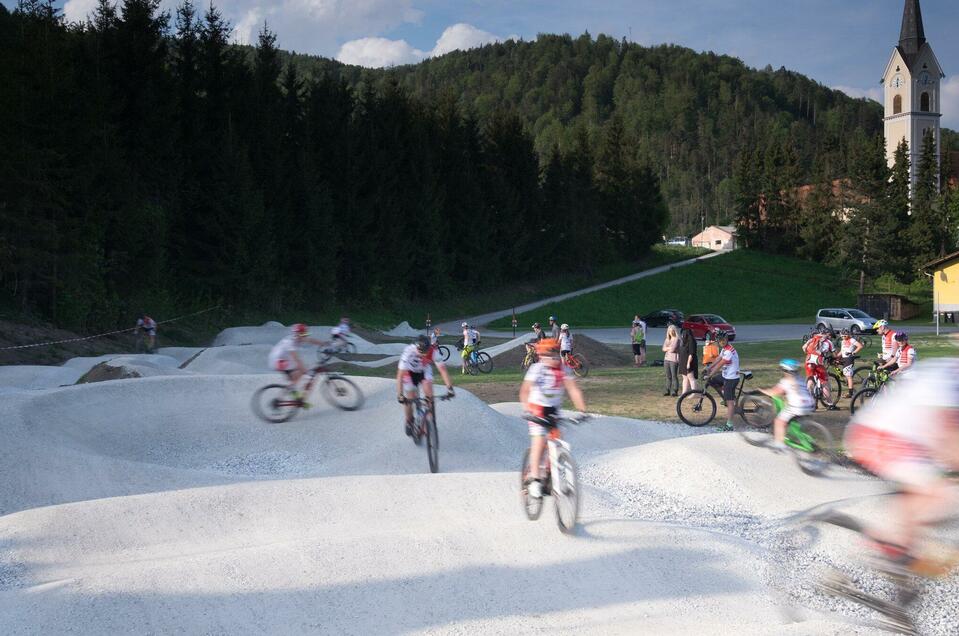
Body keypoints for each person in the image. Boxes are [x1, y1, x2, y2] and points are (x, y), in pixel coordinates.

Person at [843, 360, 959, 604]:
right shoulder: (950, 378)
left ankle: (899, 561)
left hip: (906, 440)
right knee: (941, 496)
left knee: (927, 500)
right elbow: (949, 443)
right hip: (882, 435)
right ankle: (888, 555)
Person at [520, 338, 587, 500]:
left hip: (553, 411)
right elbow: (524, 391)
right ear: (542, 356)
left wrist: (582, 411)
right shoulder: (536, 369)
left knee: (556, 441)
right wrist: (526, 409)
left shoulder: (564, 370)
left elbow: (573, 390)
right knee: (539, 442)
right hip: (536, 409)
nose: (555, 358)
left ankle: (549, 474)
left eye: (556, 355)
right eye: (550, 356)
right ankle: (535, 479)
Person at [397, 335, 455, 436]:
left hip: (424, 371)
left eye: (426, 352)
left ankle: (431, 422)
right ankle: (409, 420)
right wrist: (400, 395)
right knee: (409, 398)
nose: (424, 355)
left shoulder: (433, 351)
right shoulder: (408, 352)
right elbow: (400, 375)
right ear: (416, 348)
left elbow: (443, 370)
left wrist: (450, 388)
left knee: (429, 396)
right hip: (409, 373)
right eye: (421, 352)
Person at [762, 359, 816, 450]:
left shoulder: (786, 380)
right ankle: (805, 439)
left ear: (785, 370)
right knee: (794, 421)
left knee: (779, 421)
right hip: (810, 405)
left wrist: (763, 391)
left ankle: (779, 445)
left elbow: (775, 392)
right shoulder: (801, 379)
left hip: (798, 406)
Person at [268, 324, 328, 400]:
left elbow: (311, 340)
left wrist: (324, 344)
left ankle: (293, 392)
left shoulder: (298, 337)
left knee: (298, 374)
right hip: (277, 361)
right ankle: (283, 396)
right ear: (297, 334)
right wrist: (305, 371)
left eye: (305, 334)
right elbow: (296, 359)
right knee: (300, 370)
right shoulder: (289, 343)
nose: (304, 336)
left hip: (282, 359)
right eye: (302, 334)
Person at [704, 330, 739, 431]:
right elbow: (718, 359)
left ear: (727, 339)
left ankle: (729, 425)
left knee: (730, 402)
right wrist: (709, 367)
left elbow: (720, 364)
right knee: (713, 381)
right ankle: (726, 395)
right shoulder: (724, 349)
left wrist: (710, 374)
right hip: (725, 375)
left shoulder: (728, 351)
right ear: (718, 341)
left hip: (731, 378)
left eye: (724, 340)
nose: (722, 342)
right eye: (720, 340)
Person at [803, 328, 837, 409]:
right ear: (828, 334)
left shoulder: (812, 339)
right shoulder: (828, 342)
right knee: (824, 383)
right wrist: (836, 360)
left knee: (810, 381)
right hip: (819, 362)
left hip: (808, 361)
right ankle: (830, 404)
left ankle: (810, 403)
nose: (830, 337)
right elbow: (834, 355)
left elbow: (804, 348)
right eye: (830, 336)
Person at [838, 328, 864, 398]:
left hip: (849, 358)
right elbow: (842, 351)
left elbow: (860, 346)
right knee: (844, 373)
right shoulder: (842, 341)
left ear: (848, 335)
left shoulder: (852, 340)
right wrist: (837, 356)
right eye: (842, 336)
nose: (843, 337)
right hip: (844, 358)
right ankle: (846, 380)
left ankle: (850, 393)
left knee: (848, 376)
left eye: (845, 336)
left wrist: (853, 352)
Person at [678, 327, 699, 394]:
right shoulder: (683, 342)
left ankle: (694, 393)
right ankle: (684, 393)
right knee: (685, 378)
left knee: (691, 378)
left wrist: (688, 363)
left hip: (689, 362)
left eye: (683, 334)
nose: (681, 335)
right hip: (683, 362)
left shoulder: (691, 341)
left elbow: (691, 353)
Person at [662, 324, 680, 396]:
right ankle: (667, 390)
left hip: (674, 359)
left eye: (672, 331)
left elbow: (672, 350)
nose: (671, 332)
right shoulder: (667, 339)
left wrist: (668, 348)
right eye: (669, 331)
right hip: (666, 359)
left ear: (674, 331)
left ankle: (675, 390)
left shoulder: (677, 339)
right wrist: (669, 348)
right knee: (668, 376)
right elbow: (663, 349)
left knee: (674, 376)